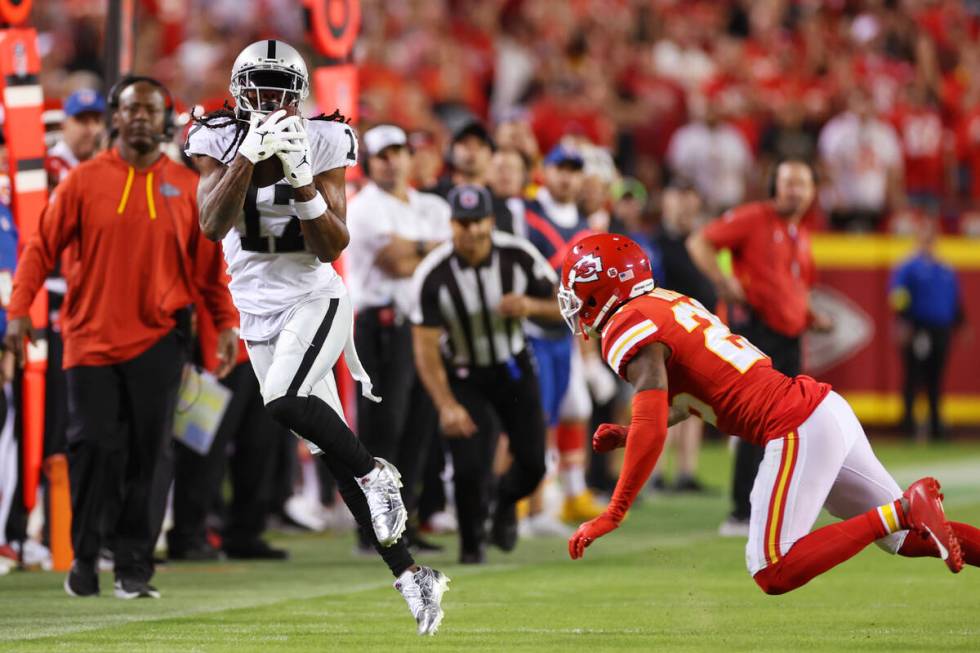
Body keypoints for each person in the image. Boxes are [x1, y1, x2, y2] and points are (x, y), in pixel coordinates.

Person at [185, 40, 448, 635]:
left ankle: (379, 472)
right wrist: (246, 159)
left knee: (282, 401)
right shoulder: (216, 136)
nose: (272, 98)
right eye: (262, 85)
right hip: (255, 312)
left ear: (298, 93)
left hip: (313, 298)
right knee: (332, 453)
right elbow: (210, 224)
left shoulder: (327, 139)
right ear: (239, 87)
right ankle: (410, 573)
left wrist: (302, 180)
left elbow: (333, 244)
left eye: (282, 87)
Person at [559, 233, 980, 594]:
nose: (574, 303)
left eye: (577, 290)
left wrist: (614, 510)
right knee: (906, 540)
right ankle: (905, 513)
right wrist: (631, 430)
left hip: (794, 424)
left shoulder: (624, 324)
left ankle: (904, 508)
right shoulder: (666, 301)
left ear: (602, 287)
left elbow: (654, 418)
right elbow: (693, 396)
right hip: (821, 410)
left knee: (772, 568)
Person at [5, 76, 240, 599]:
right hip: (88, 339)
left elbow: (209, 272)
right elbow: (41, 246)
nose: (139, 116)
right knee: (93, 449)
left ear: (165, 121)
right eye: (130, 107)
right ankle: (85, 557)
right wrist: (19, 308)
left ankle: (134, 567)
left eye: (150, 110)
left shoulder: (188, 186)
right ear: (116, 116)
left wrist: (225, 324)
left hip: (159, 340)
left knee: (150, 455)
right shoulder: (84, 181)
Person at [686, 159, 831, 537]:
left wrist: (810, 314)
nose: (794, 191)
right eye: (788, 183)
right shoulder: (754, 218)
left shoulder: (799, 232)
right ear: (774, 185)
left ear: (813, 192)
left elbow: (793, 286)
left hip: (789, 335)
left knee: (788, 424)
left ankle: (770, 506)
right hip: (759, 332)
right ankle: (741, 511)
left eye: (802, 184)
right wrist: (721, 280)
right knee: (759, 424)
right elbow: (700, 241)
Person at [411, 184, 551, 563]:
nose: (471, 231)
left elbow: (562, 306)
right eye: (463, 222)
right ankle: (472, 549)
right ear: (451, 223)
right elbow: (424, 348)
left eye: (478, 221)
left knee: (534, 461)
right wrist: (446, 405)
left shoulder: (518, 255)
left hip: (512, 367)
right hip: (463, 373)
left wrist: (530, 305)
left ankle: (505, 503)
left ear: (491, 220)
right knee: (469, 465)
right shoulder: (433, 273)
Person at [346, 124, 451, 553]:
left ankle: (403, 524)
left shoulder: (428, 204)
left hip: (423, 326)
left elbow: (449, 255)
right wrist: (432, 247)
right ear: (370, 163)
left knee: (418, 428)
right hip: (381, 325)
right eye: (382, 154)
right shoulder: (365, 205)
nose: (391, 161)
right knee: (382, 430)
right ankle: (373, 528)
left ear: (411, 156)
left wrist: (417, 247)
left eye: (398, 152)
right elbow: (392, 261)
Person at [524, 144, 604, 525]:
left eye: (574, 170)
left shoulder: (585, 226)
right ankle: (533, 495)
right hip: (530, 328)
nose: (567, 177)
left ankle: (571, 491)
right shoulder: (528, 214)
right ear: (545, 171)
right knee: (538, 415)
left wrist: (590, 356)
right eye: (561, 169)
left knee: (574, 408)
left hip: (565, 333)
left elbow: (589, 296)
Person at [650, 180, 714, 492]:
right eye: (679, 200)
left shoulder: (704, 240)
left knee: (694, 405)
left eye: (690, 200)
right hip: (668, 333)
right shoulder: (656, 243)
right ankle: (657, 473)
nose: (686, 207)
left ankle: (687, 472)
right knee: (663, 402)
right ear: (666, 204)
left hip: (703, 331)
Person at [889, 218, 965, 440]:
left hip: (941, 329)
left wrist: (961, 323)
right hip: (917, 327)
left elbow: (954, 299)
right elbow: (898, 296)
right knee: (913, 376)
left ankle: (936, 425)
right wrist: (903, 320)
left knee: (936, 377)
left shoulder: (945, 268)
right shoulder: (909, 267)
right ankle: (908, 424)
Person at [425, 118, 515, 233]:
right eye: (465, 144)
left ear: (491, 155)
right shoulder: (433, 194)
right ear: (451, 151)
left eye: (480, 145)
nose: (472, 150)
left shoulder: (499, 204)